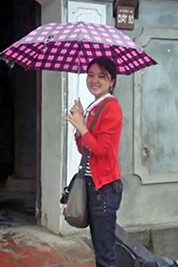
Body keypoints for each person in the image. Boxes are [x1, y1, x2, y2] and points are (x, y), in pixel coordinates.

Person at [67, 57, 123, 267]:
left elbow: (102, 149)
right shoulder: (94, 106)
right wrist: (79, 121)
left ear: (112, 81)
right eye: (90, 74)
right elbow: (85, 149)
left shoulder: (112, 108)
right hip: (92, 184)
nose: (94, 80)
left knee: (105, 252)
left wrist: (82, 127)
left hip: (105, 188)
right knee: (99, 247)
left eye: (102, 76)